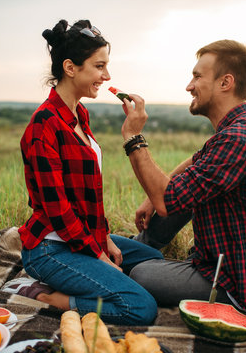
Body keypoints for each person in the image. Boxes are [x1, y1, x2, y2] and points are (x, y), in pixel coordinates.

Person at [120, 39, 246, 313]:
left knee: (142, 276)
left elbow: (166, 200)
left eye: (197, 76)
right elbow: (198, 160)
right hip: (243, 263)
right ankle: (141, 248)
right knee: (179, 191)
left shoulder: (240, 139)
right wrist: (153, 199)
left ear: (225, 82)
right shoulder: (239, 128)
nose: (189, 86)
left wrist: (134, 137)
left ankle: (141, 259)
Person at [18, 19, 163, 326]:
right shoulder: (44, 125)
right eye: (99, 66)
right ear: (70, 68)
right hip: (51, 247)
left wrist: (104, 240)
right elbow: (58, 209)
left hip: (82, 238)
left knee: (155, 264)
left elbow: (89, 197)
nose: (107, 76)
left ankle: (92, 281)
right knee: (140, 307)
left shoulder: (79, 113)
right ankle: (53, 298)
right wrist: (98, 256)